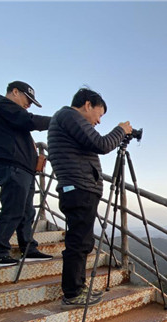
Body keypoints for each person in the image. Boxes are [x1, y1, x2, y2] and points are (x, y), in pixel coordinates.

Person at [47, 88, 132, 309]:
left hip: (78, 188)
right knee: (79, 242)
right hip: (79, 189)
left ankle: (77, 288)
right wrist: (121, 130)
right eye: (99, 114)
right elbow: (102, 144)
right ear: (87, 105)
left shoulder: (66, 120)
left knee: (82, 241)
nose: (99, 121)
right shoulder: (69, 116)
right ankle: (73, 292)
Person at [0, 81, 53, 267]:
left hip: (24, 167)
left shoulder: (9, 113)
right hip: (12, 165)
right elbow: (28, 120)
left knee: (27, 211)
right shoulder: (2, 106)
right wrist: (58, 121)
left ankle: (28, 249)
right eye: (27, 99)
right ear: (14, 92)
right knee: (13, 209)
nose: (28, 104)